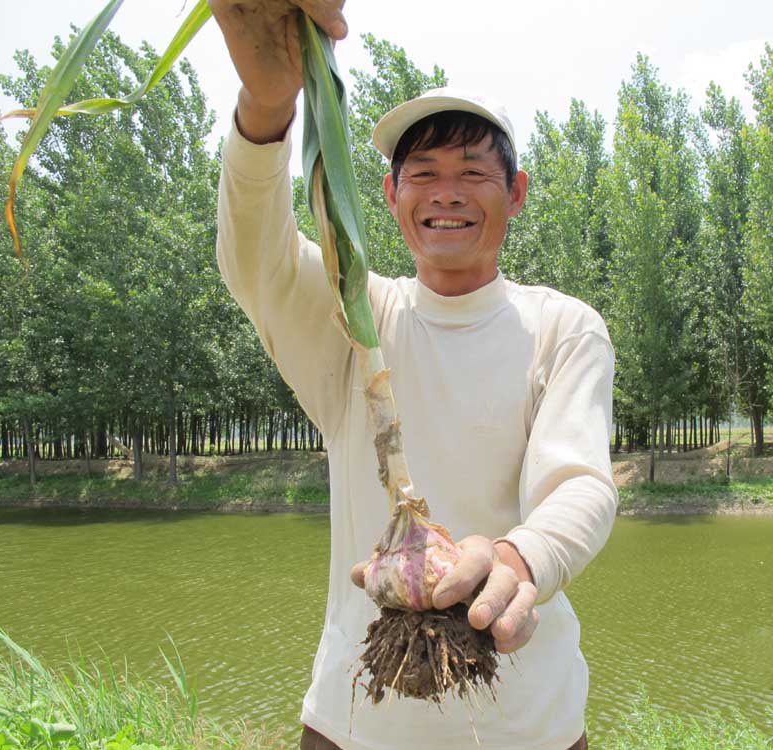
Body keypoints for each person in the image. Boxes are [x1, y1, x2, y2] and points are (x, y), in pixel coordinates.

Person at [208, 2, 617, 747]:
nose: (447, 193)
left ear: (516, 193)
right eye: (422, 174)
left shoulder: (564, 327)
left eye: (472, 174)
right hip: (354, 724)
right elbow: (253, 261)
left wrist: (518, 558)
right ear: (392, 198)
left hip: (530, 726)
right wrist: (267, 106)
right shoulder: (356, 320)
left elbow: (580, 483)